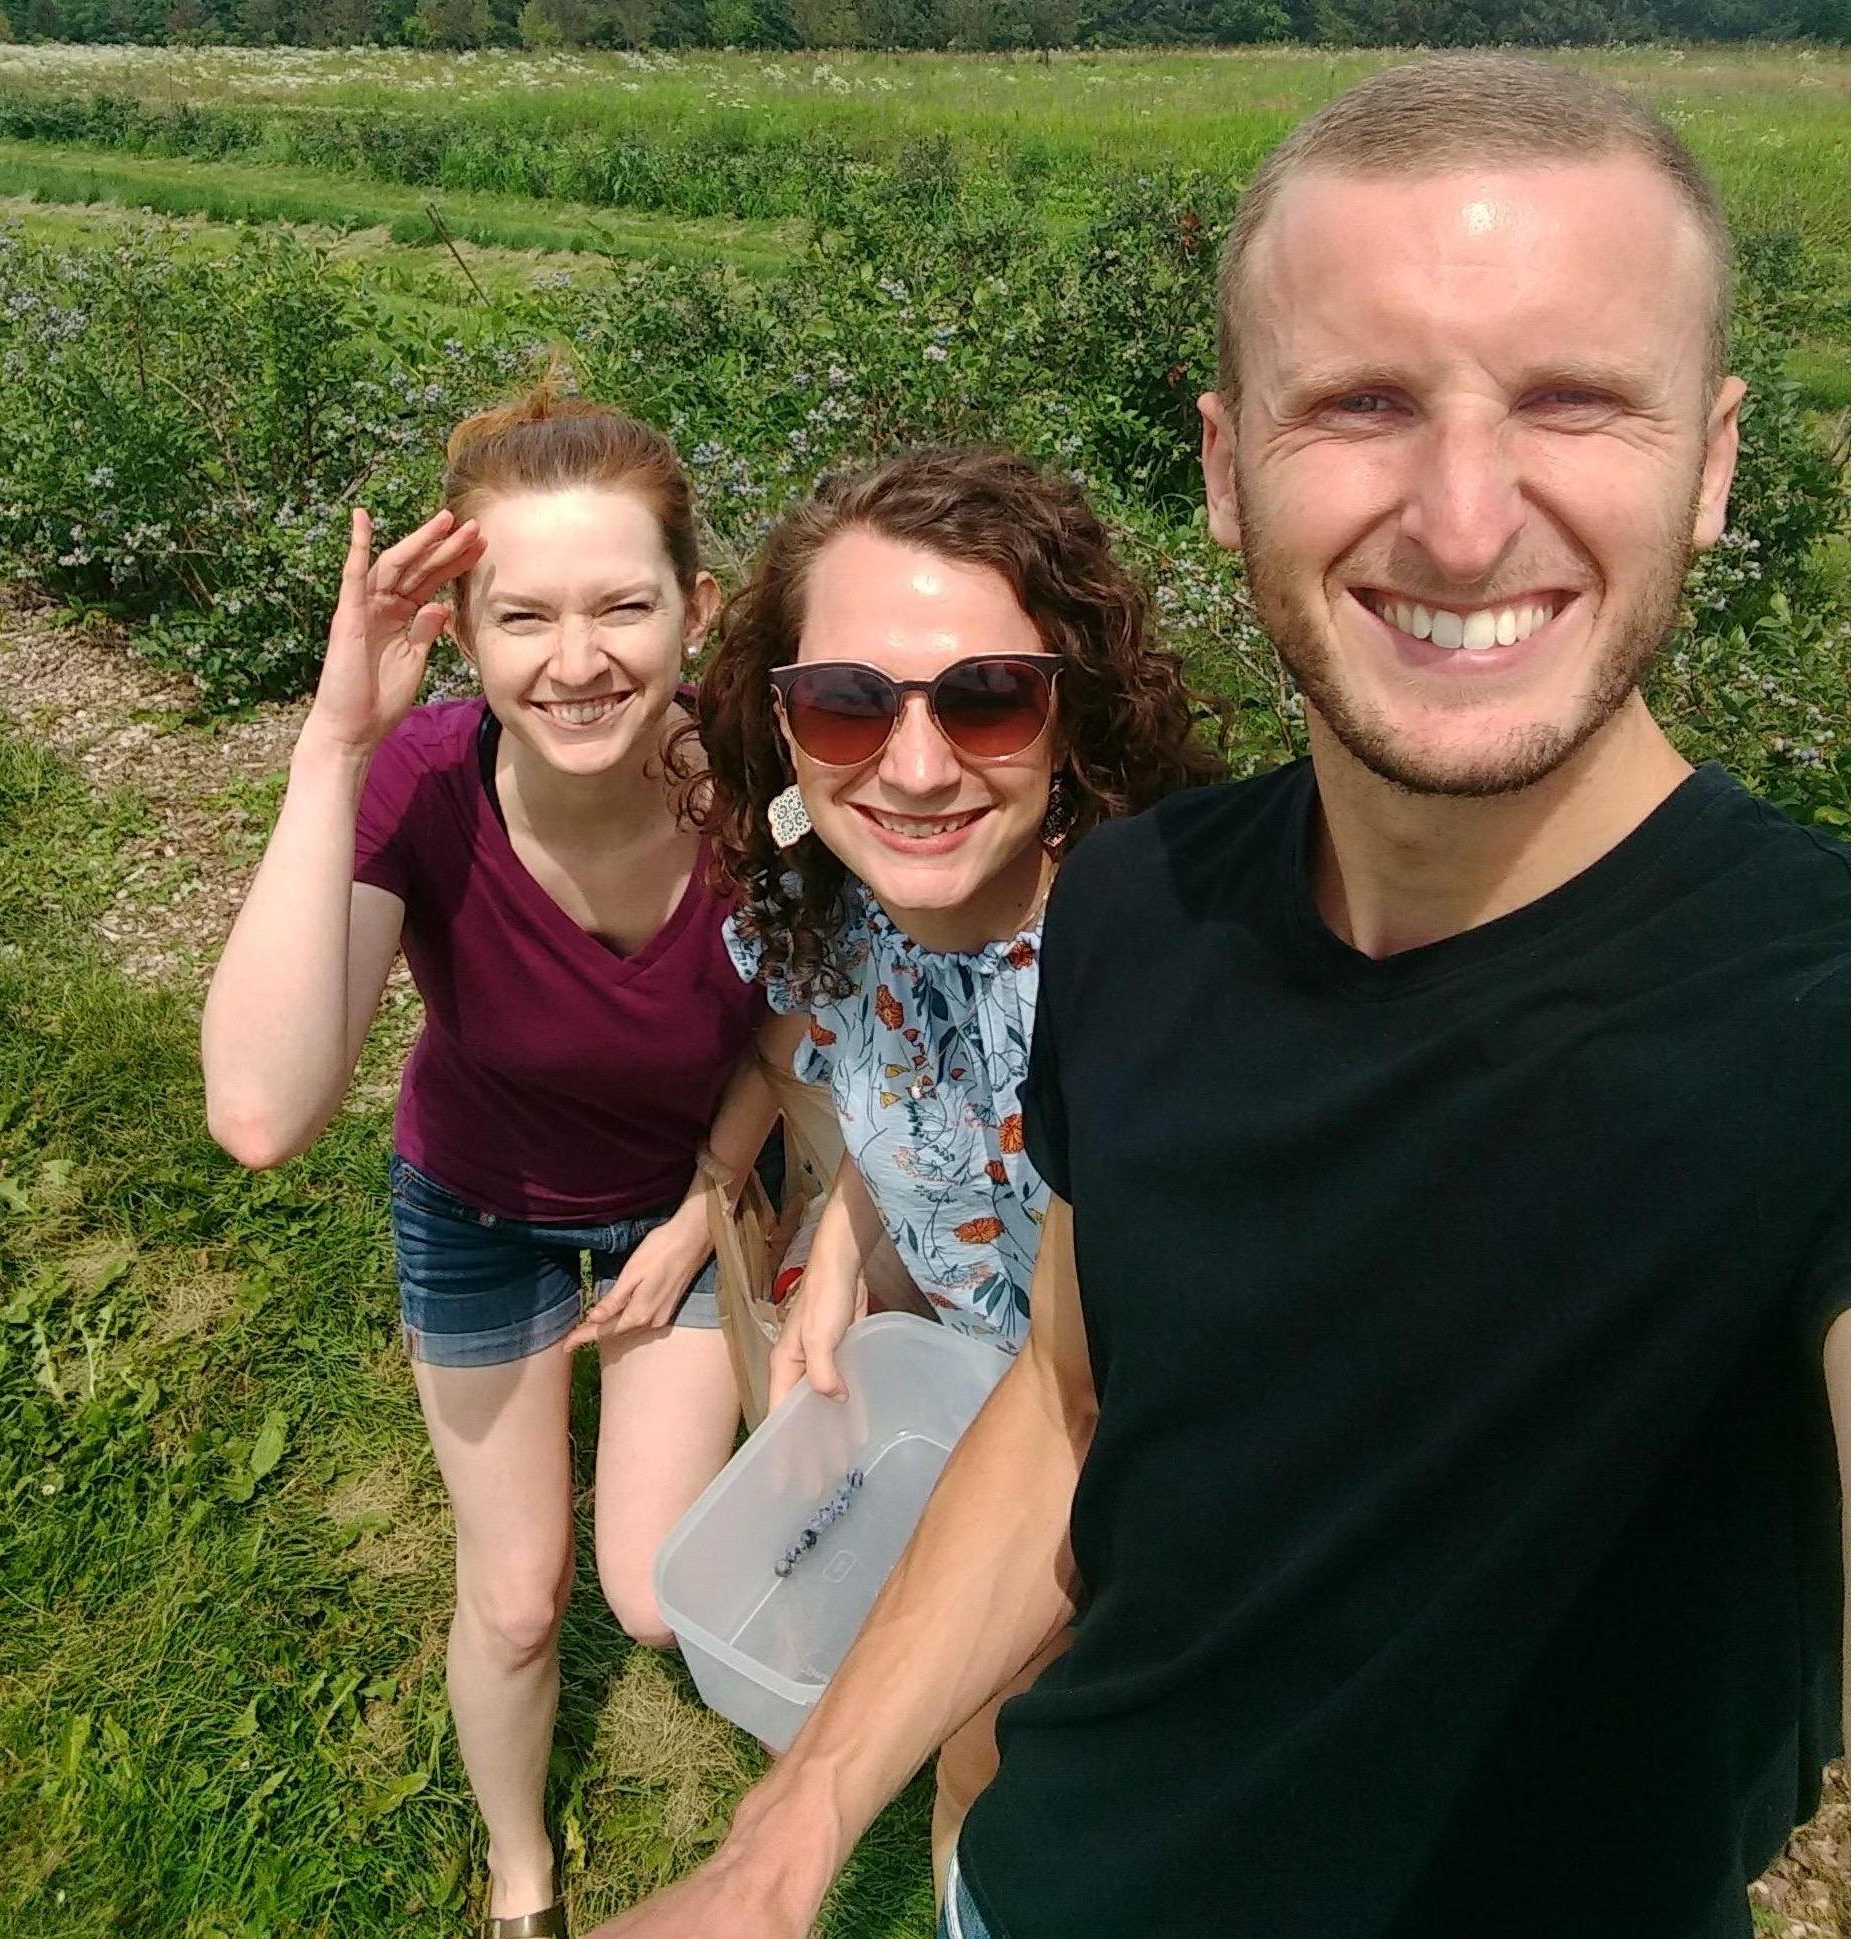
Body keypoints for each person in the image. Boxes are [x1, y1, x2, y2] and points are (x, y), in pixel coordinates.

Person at [586, 55, 1849, 1939]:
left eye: (1577, 400)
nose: (1461, 514)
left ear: (1719, 461)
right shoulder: (1147, 915)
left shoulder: (1811, 1011)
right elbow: (1073, 1403)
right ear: (1222, 465)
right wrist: (781, 1849)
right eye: (1358, 403)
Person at [201, 388, 783, 1939]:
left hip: (684, 1207)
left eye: (623, 606)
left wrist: (710, 1202)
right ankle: (523, 1883)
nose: (575, 660)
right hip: (482, 1210)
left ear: (698, 609)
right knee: (519, 1606)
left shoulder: (768, 793)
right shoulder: (426, 784)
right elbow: (261, 1113)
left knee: (657, 1606)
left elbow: (815, 1030)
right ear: (457, 628)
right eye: (520, 615)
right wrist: (336, 741)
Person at [696, 444, 1217, 1889]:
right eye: (847, 704)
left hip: (1134, 1472)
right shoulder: (843, 922)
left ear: (1071, 717)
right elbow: (908, 1110)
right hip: (967, 1399)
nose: (915, 767)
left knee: (1009, 1758)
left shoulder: (1158, 977)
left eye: (986, 695)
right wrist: (843, 1264)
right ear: (782, 724)